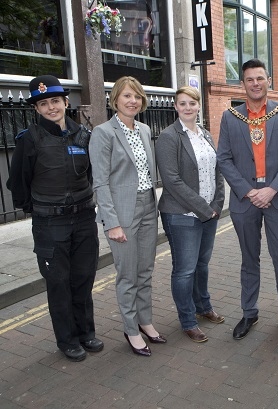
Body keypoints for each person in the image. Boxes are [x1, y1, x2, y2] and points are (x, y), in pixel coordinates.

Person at [7, 75, 103, 361]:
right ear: (36, 109)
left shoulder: (83, 135)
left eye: (55, 101)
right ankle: (68, 339)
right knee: (59, 284)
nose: (51, 108)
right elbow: (18, 183)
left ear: (65, 102)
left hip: (84, 220)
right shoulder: (30, 139)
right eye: (44, 104)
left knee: (84, 279)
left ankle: (86, 332)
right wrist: (38, 211)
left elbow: (88, 174)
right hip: (51, 224)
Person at [217, 58, 278, 340]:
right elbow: (224, 158)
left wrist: (273, 188)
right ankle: (248, 313)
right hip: (245, 201)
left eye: (260, 78)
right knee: (248, 258)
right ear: (242, 84)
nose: (255, 83)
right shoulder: (231, 117)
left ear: (268, 80)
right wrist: (248, 190)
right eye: (249, 79)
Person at [90, 76, 166, 357]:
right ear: (115, 100)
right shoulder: (103, 132)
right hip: (123, 212)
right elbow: (100, 182)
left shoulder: (145, 129)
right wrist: (112, 223)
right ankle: (130, 328)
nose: (132, 101)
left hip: (148, 206)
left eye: (136, 96)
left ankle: (144, 320)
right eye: (126, 96)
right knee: (127, 275)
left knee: (145, 270)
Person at [155, 86, 225, 343]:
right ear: (175, 107)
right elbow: (171, 181)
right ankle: (187, 320)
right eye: (182, 103)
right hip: (182, 214)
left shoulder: (205, 134)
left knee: (202, 265)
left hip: (209, 211)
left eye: (192, 103)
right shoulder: (169, 136)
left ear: (198, 106)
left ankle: (203, 306)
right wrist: (204, 209)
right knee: (184, 270)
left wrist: (218, 202)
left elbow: (217, 170)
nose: (187, 107)